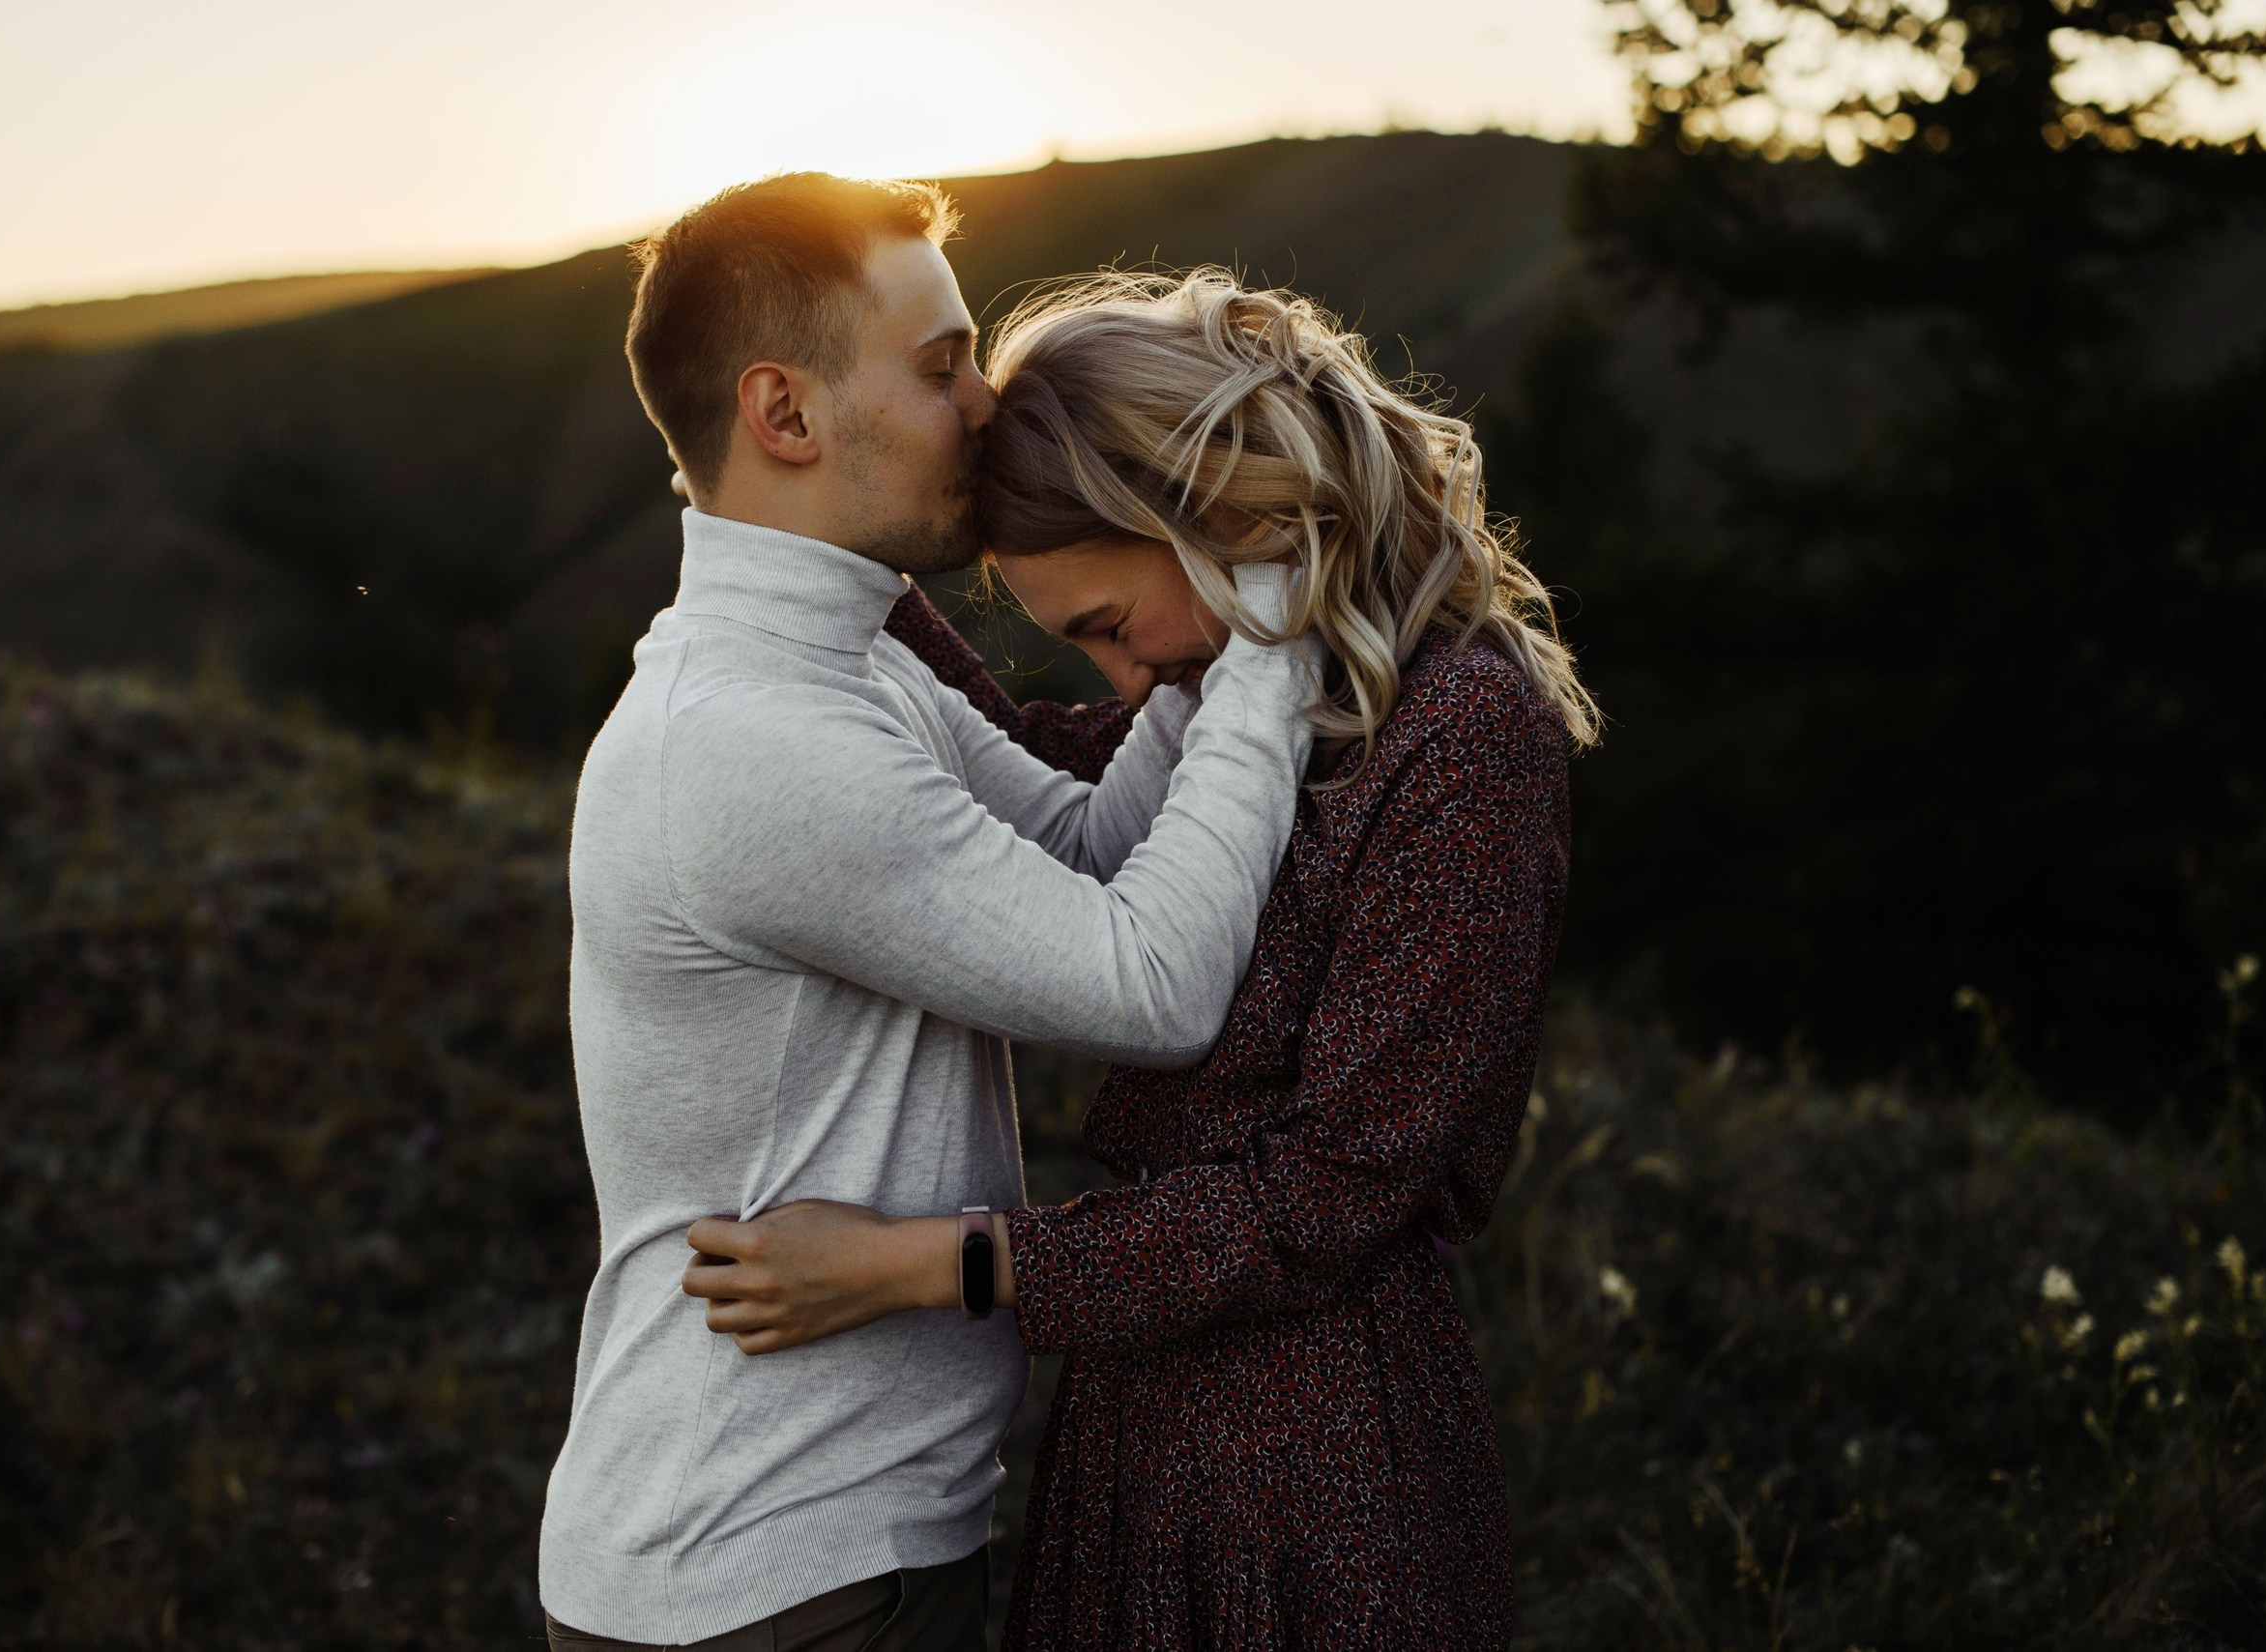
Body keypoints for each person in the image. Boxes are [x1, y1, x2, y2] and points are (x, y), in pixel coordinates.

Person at [679, 270, 1599, 1651]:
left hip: (1322, 1449)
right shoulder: (1227, 688)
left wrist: (934, 1266)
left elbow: (1323, 1198)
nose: (1124, 682)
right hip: (1134, 1418)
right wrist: (792, 530)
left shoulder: (1462, 735)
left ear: (1215, 512)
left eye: (1108, 627)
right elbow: (1043, 782)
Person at [538, 174, 1322, 1652]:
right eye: (940, 364)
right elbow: (1152, 981)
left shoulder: (850, 675)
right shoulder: (763, 742)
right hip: (784, 1570)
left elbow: (1092, 849)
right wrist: (1276, 635)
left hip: (798, 1549)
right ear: (786, 414)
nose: (985, 404)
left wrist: (1193, 637)